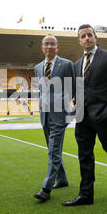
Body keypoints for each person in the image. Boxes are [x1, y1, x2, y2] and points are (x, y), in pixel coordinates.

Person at [63, 24, 107, 206]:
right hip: (83, 117)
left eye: (89, 35)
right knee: (84, 155)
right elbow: (78, 89)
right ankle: (86, 195)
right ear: (79, 41)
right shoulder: (77, 64)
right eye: (83, 36)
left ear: (95, 37)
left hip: (103, 115)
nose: (87, 38)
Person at [33, 34, 75, 202]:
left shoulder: (66, 64)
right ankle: (62, 179)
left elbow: (75, 88)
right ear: (42, 47)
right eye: (46, 44)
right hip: (44, 114)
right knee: (53, 149)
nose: (49, 47)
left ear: (57, 47)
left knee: (53, 150)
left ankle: (46, 188)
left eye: (52, 44)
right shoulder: (37, 67)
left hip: (60, 114)